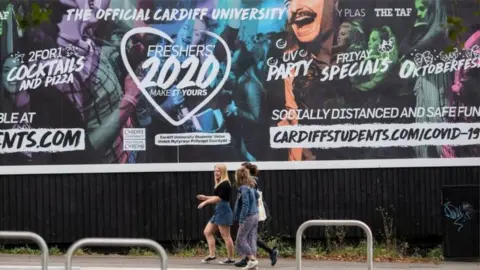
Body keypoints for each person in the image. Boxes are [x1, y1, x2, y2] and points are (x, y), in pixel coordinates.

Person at [234, 163, 279, 268]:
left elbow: (250, 199)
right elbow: (257, 194)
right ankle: (249, 259)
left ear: (247, 170)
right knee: (251, 236)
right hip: (255, 210)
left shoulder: (250, 181)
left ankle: (254, 257)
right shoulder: (252, 180)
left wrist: (242, 217)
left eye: (243, 169)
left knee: (248, 237)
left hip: (254, 210)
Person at [197, 164, 235, 264]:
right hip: (219, 210)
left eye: (218, 171)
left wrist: (205, 202)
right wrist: (205, 197)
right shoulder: (220, 183)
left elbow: (219, 198)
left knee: (226, 236)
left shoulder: (225, 183)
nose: (216, 173)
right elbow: (217, 196)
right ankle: (212, 255)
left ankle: (231, 258)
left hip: (224, 211)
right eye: (215, 171)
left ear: (223, 172)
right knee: (207, 232)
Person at [233, 167, 260, 269]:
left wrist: (241, 219)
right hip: (255, 215)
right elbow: (257, 196)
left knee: (240, 239)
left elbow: (245, 204)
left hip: (248, 216)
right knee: (251, 238)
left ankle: (252, 260)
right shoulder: (251, 187)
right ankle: (253, 263)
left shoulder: (243, 188)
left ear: (239, 176)